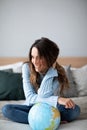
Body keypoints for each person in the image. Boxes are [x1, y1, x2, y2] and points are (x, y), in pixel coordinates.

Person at [2, 37, 80, 124]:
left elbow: (44, 94)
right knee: (6, 109)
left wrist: (50, 72)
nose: (34, 61)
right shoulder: (27, 68)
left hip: (50, 108)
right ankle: (49, 121)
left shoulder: (57, 73)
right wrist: (57, 99)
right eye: (32, 57)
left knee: (74, 110)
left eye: (39, 57)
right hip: (32, 107)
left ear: (49, 58)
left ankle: (41, 120)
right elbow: (30, 98)